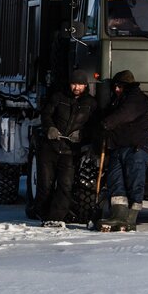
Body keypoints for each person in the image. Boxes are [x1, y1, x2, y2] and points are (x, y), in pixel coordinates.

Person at [31, 70, 97, 228]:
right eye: (74, 84)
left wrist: (82, 134)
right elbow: (46, 114)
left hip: (70, 151)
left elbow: (93, 126)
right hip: (50, 147)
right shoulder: (58, 97)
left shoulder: (91, 103)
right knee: (45, 184)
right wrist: (50, 128)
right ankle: (42, 213)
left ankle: (56, 217)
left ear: (85, 86)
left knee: (65, 185)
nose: (77, 87)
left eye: (80, 84)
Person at [97, 69, 148, 231]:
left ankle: (130, 218)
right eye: (115, 86)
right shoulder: (117, 100)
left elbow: (125, 115)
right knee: (116, 181)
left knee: (134, 182)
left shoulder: (137, 99)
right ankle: (118, 214)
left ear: (128, 86)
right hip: (118, 147)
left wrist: (106, 123)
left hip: (136, 148)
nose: (116, 89)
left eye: (120, 86)